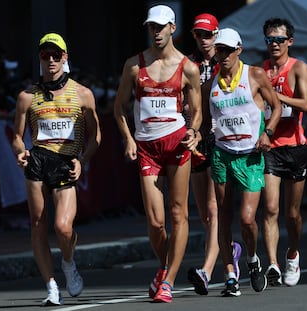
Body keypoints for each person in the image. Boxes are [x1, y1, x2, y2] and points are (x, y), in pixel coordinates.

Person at [113, 5, 202, 303]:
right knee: (155, 221)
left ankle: (169, 281)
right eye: (152, 27)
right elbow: (119, 107)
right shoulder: (135, 66)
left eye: (162, 26)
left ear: (172, 28)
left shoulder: (188, 67)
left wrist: (194, 131)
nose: (157, 32)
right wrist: (127, 139)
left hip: (177, 144)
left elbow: (198, 111)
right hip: (147, 148)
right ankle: (165, 266)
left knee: (178, 213)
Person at [12, 33, 101, 306]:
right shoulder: (27, 96)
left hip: (65, 163)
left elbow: (96, 136)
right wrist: (20, 152)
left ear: (65, 57)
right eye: (45, 55)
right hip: (38, 160)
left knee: (63, 228)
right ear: (39, 58)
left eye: (55, 55)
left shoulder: (83, 94)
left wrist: (81, 161)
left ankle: (68, 262)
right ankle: (51, 285)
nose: (50, 60)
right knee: (38, 224)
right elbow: (16, 135)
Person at [201, 27, 282, 297]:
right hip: (223, 154)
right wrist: (202, 136)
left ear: (239, 50)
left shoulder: (255, 75)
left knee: (247, 219)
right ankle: (230, 275)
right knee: (223, 216)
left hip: (250, 155)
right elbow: (204, 119)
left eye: (227, 50)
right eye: (218, 50)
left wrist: (268, 133)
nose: (222, 55)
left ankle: (251, 259)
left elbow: (277, 107)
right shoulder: (209, 84)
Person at [185, 13, 242, 296]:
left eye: (208, 35)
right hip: (194, 138)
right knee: (205, 216)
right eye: (199, 35)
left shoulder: (227, 60)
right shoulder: (187, 64)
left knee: (213, 208)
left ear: (217, 34)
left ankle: (206, 272)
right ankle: (230, 248)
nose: (204, 40)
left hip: (219, 138)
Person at [260, 18, 307, 287]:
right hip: (270, 147)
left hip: (295, 146)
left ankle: (292, 253)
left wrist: (279, 98)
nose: (274, 45)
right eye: (269, 40)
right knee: (269, 208)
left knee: (291, 214)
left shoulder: (299, 68)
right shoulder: (260, 71)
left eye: (279, 40)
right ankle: (273, 264)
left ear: (289, 41)